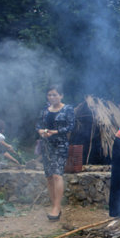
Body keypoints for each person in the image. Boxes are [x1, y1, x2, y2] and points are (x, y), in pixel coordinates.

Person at [36, 85, 75, 221]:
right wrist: (41, 131)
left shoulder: (67, 109)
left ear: (61, 95)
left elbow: (71, 126)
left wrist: (56, 132)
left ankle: (57, 207)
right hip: (47, 145)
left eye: (55, 95)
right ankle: (54, 205)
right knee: (49, 177)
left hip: (60, 145)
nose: (52, 97)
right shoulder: (45, 110)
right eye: (50, 95)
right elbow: (38, 125)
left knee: (58, 175)